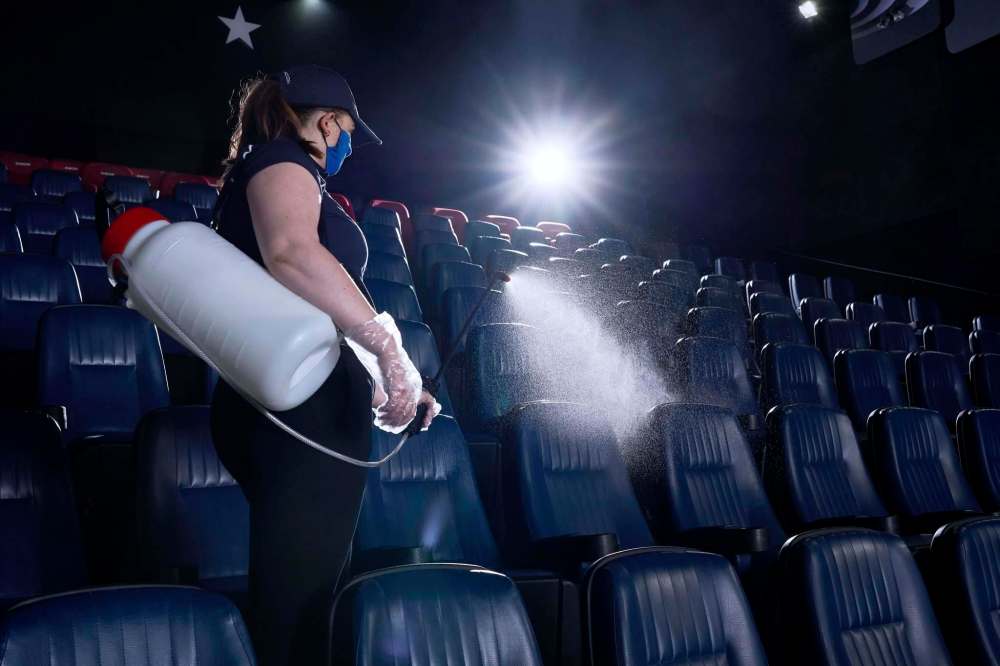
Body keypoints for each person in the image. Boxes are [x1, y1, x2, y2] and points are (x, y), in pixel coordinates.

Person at [209, 65, 439, 665]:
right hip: (301, 411)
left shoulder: (279, 167)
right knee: (298, 606)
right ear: (332, 122)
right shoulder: (283, 163)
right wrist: (388, 347)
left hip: (298, 400)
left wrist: (394, 378)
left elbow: (317, 304)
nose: (348, 147)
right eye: (349, 133)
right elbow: (290, 253)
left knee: (301, 591)